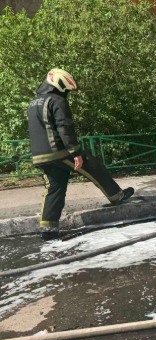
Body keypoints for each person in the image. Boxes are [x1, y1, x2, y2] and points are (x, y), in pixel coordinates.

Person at [27, 69, 134, 240]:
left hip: (39, 155)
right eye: (66, 90)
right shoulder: (57, 100)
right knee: (93, 166)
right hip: (59, 151)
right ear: (59, 85)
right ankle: (117, 196)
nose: (66, 93)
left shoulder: (33, 103)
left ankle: (48, 229)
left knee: (55, 188)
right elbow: (64, 128)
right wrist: (75, 152)